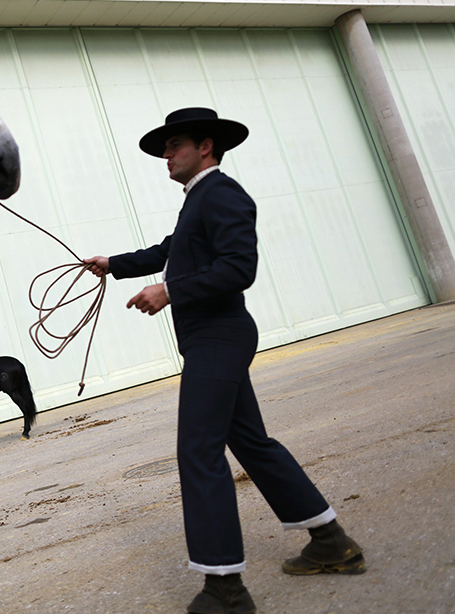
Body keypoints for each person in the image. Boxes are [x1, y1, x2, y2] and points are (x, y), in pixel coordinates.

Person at [84, 107, 365, 614]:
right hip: (213, 341)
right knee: (252, 444)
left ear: (205, 147)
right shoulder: (199, 201)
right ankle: (331, 543)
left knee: (198, 451)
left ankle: (225, 589)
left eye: (174, 146)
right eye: (165, 148)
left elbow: (239, 268)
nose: (165, 156)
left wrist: (168, 291)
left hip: (220, 338)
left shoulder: (224, 194)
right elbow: (170, 250)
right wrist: (113, 264)